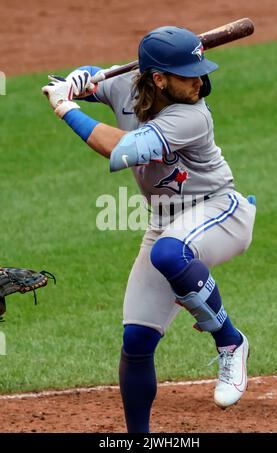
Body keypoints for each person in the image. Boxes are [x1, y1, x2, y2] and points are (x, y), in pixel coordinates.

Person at [42, 26, 256, 433]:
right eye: (187, 73)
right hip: (166, 221)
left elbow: (120, 148)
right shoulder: (127, 83)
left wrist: (66, 108)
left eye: (198, 70)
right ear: (158, 79)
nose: (199, 81)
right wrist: (75, 80)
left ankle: (229, 340)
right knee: (137, 340)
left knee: (168, 254)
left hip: (220, 211)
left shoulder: (192, 114)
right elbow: (96, 78)